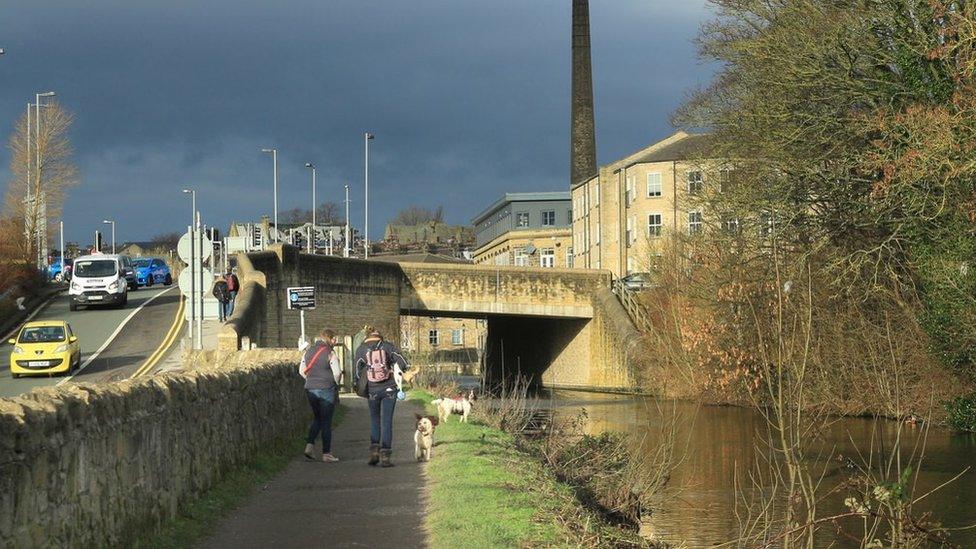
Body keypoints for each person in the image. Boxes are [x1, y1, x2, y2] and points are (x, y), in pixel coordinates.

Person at [354, 326, 409, 467]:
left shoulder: (361, 349)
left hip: (372, 390)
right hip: (390, 388)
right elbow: (403, 362)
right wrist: (392, 370)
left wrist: (364, 381)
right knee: (387, 421)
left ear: (367, 335)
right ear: (380, 336)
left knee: (374, 420)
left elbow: (357, 371)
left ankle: (374, 452)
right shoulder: (388, 346)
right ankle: (385, 455)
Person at [300, 329, 343, 463]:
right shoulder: (330, 352)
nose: (335, 342)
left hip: (310, 388)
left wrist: (311, 379)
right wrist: (335, 383)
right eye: (333, 339)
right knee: (326, 421)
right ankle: (326, 453)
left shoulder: (308, 352)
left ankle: (309, 446)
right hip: (326, 388)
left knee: (317, 418)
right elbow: (337, 373)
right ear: (329, 339)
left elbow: (301, 371)